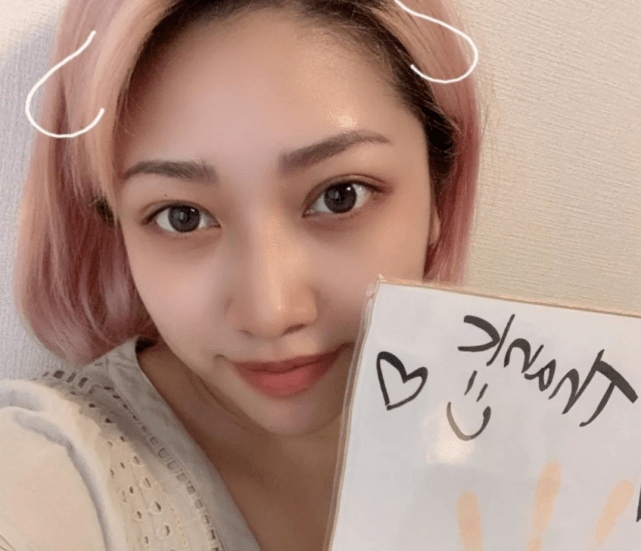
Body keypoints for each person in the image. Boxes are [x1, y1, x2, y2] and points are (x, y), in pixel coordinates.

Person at [1, 0, 484, 549]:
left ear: (439, 189)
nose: (270, 313)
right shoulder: (54, 468)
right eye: (182, 217)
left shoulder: (529, 415)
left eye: (340, 196)